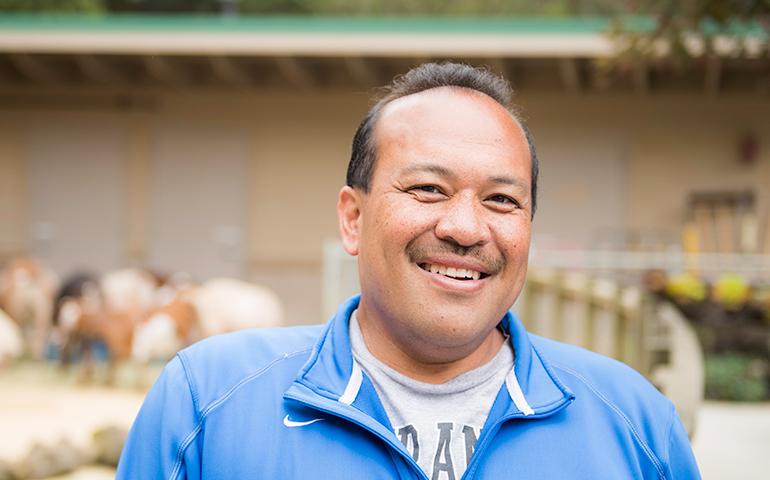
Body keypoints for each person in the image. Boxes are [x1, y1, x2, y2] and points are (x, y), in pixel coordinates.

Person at [117, 62, 701, 479]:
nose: (466, 228)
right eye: (427, 188)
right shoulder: (208, 406)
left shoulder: (634, 424)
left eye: (502, 200)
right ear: (353, 217)